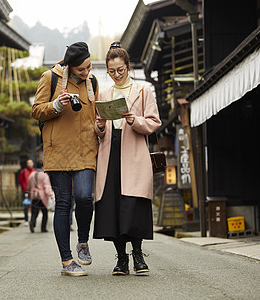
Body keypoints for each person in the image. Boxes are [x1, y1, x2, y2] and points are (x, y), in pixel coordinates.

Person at [93, 41, 161, 276]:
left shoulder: (143, 91)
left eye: (120, 70)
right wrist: (100, 125)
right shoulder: (103, 92)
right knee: (111, 206)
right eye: (111, 71)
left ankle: (138, 256)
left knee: (133, 204)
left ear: (128, 66)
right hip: (109, 153)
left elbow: (154, 122)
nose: (116, 75)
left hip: (134, 152)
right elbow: (97, 131)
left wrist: (136, 121)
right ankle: (121, 259)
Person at [31, 42, 98, 277]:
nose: (86, 72)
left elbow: (95, 114)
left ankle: (83, 242)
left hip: (86, 149)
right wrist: (57, 105)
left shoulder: (93, 82)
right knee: (63, 203)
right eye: (81, 69)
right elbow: (36, 110)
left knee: (84, 196)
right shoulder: (50, 78)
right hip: (58, 149)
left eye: (88, 67)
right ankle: (67, 261)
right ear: (69, 66)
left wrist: (100, 126)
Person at [27, 161, 54, 233]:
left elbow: (28, 186)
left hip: (34, 196)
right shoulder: (44, 175)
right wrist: (50, 194)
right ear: (42, 167)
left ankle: (32, 222)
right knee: (45, 213)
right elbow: (47, 186)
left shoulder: (32, 174)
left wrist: (29, 194)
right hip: (42, 197)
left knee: (34, 212)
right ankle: (43, 228)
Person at [18, 159, 35, 226]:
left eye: (31, 163)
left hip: (33, 191)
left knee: (34, 206)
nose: (29, 164)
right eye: (28, 163)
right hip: (25, 191)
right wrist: (24, 189)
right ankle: (26, 220)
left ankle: (33, 220)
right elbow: (20, 181)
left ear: (33, 163)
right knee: (26, 205)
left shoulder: (35, 172)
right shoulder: (23, 172)